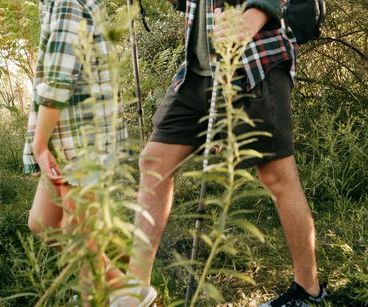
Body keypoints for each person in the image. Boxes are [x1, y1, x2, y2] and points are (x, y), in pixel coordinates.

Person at [123, 0, 329, 306]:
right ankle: (134, 290)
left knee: (276, 176)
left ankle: (308, 292)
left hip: (256, 62)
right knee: (154, 162)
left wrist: (249, 21)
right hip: (198, 72)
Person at [22, 0, 128, 304]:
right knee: (42, 222)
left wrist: (39, 144)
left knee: (78, 235)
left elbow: (58, 81)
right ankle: (127, 290)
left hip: (80, 141)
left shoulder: (67, 2)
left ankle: (102, 298)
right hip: (69, 139)